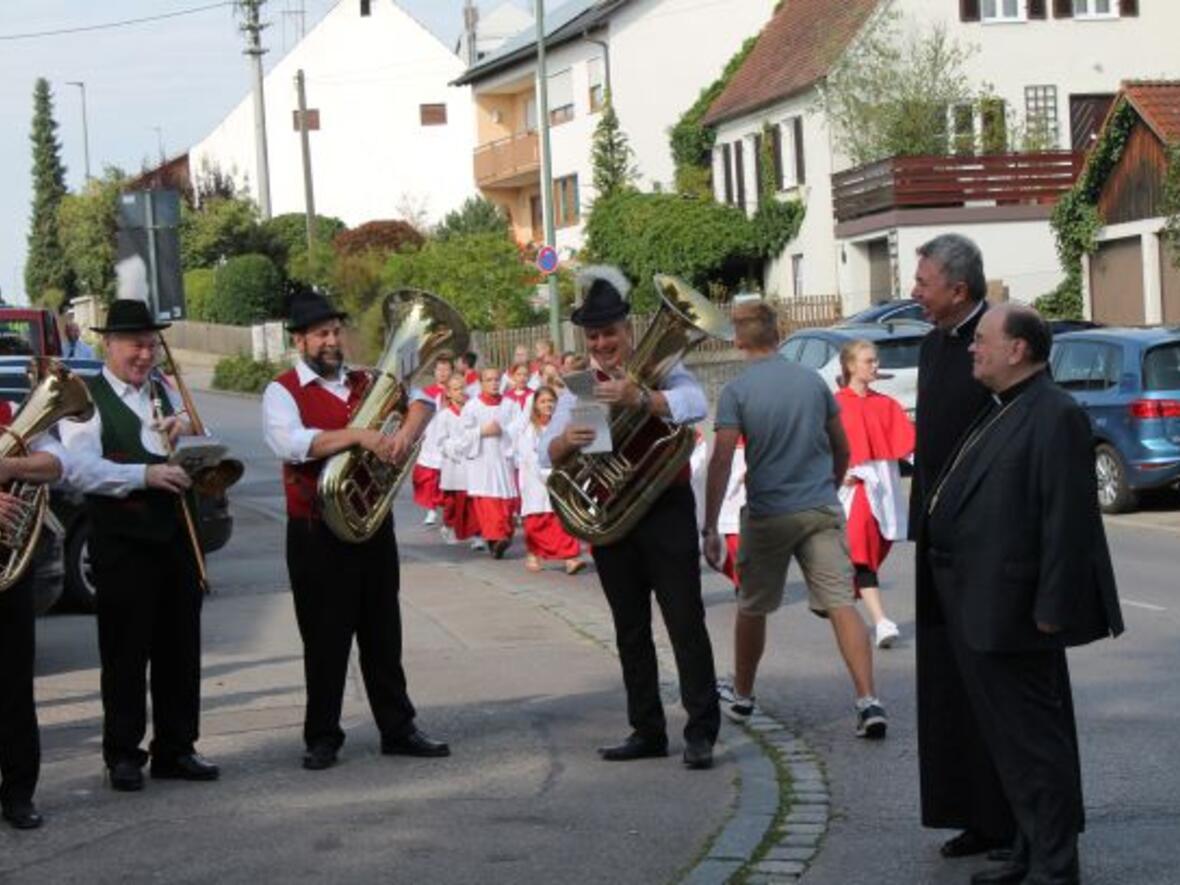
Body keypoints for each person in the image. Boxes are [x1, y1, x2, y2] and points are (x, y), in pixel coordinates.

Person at [923, 304, 1123, 884]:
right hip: (981, 605)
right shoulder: (1004, 406)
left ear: (1018, 350)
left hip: (1018, 613)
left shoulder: (1055, 413)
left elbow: (1067, 520)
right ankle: (1030, 852)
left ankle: (1055, 868)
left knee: (1037, 748)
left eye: (983, 340)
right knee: (1010, 749)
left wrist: (1054, 608)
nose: (972, 348)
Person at [261, 284, 449, 771]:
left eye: (335, 331)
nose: (331, 341)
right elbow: (290, 443)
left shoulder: (366, 379)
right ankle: (322, 736)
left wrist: (405, 433)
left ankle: (398, 728)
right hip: (316, 531)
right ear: (299, 340)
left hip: (372, 524)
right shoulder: (282, 390)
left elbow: (423, 398)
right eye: (320, 334)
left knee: (383, 632)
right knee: (325, 639)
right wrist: (361, 436)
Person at [542, 266, 720, 770]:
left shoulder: (659, 367)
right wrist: (565, 441)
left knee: (685, 622)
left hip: (665, 510)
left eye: (609, 333)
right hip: (613, 517)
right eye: (593, 336)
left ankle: (701, 731)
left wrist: (642, 398)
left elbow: (694, 403)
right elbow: (544, 450)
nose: (602, 344)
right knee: (630, 629)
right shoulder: (579, 386)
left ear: (628, 329)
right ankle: (646, 729)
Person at [702, 299, 887, 739]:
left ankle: (743, 696)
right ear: (778, 334)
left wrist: (710, 524)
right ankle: (868, 701)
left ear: (738, 340)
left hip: (768, 512)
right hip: (820, 507)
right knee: (842, 603)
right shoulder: (812, 382)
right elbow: (841, 446)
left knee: (753, 605)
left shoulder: (737, 391)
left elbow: (722, 459)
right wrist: (830, 487)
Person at [60, 299, 218, 792]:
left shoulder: (164, 390)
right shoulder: (85, 398)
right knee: (125, 653)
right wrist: (143, 476)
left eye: (151, 345)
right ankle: (123, 754)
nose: (146, 355)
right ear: (109, 345)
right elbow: (79, 469)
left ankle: (177, 747)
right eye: (135, 345)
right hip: (123, 543)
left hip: (176, 538)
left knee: (180, 649)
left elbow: (202, 437)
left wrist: (187, 430)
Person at [908, 234, 1015, 860]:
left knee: (992, 689)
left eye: (923, 283)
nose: (914, 292)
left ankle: (1011, 819)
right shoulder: (932, 345)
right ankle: (972, 812)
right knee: (950, 685)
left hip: (983, 545)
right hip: (938, 542)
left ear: (959, 288)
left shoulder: (998, 343)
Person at [0, 397, 68, 829]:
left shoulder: (11, 413)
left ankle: (19, 793)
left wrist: (8, 467)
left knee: (14, 687)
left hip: (9, 572)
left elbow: (56, 465)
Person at [834, 340, 915, 649]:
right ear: (850, 366)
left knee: (873, 547)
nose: (876, 365)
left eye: (876, 360)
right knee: (860, 548)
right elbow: (818, 447)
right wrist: (838, 472)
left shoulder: (887, 404)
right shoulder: (834, 405)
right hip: (853, 489)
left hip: (884, 487)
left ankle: (842, 600)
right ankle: (881, 621)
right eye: (869, 361)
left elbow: (909, 446)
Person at [514, 386, 584, 575]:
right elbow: (529, 457)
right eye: (543, 401)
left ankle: (570, 558)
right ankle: (533, 552)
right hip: (535, 482)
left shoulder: (561, 427)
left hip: (559, 479)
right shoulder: (529, 429)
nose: (548, 405)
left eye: (551, 401)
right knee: (536, 523)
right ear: (535, 405)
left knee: (561, 519)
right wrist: (546, 475)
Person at [460, 367, 519, 559]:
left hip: (503, 459)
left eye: (496, 380)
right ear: (481, 383)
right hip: (482, 461)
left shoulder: (510, 405)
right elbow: (462, 435)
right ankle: (496, 538)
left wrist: (504, 431)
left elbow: (520, 428)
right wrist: (481, 432)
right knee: (488, 504)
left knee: (506, 504)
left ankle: (500, 540)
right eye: (489, 380)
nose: (493, 383)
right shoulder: (471, 406)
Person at [437, 374, 479, 547]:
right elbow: (441, 440)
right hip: (454, 464)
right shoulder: (444, 415)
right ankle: (448, 526)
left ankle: (477, 534)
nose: (460, 392)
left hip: (471, 461)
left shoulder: (473, 410)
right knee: (453, 502)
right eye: (456, 389)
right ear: (448, 393)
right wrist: (455, 448)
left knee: (473, 501)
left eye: (462, 388)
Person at [411, 357, 453, 528]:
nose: (443, 373)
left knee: (448, 476)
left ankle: (449, 510)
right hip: (431, 437)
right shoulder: (426, 393)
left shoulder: (456, 391)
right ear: (434, 372)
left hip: (449, 438)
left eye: (446, 369)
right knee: (430, 477)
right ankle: (431, 509)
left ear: (451, 372)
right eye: (439, 370)